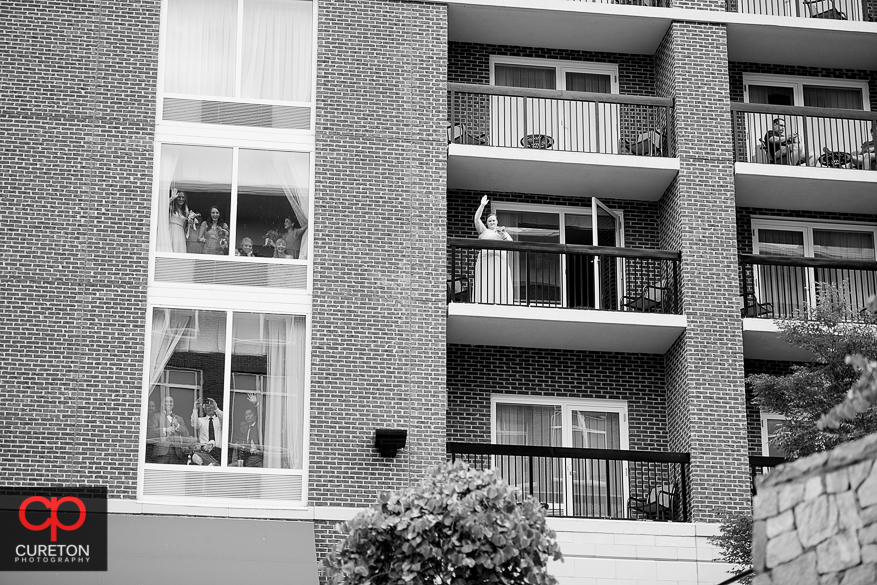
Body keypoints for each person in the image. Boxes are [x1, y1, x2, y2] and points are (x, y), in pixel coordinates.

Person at [473, 195, 514, 304]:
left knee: (499, 282)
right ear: (486, 223)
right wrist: (482, 205)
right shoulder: (483, 231)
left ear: (497, 222)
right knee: (485, 282)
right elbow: (476, 219)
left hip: (499, 262)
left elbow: (511, 244)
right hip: (485, 261)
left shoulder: (502, 232)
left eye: (493, 221)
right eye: (489, 221)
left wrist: (503, 233)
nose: (492, 223)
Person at [146, 396, 191, 465]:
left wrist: (177, 425)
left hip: (177, 453)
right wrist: (165, 430)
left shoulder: (179, 419)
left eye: (171, 401)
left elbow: (186, 434)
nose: (169, 403)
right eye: (166, 401)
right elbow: (150, 432)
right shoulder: (156, 416)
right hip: (161, 452)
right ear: (161, 404)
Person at [190, 397, 223, 466]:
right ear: (204, 409)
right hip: (204, 451)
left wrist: (216, 408)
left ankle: (212, 464)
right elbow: (195, 424)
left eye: (211, 405)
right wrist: (195, 408)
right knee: (196, 457)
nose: (209, 407)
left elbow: (225, 419)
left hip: (218, 451)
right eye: (207, 406)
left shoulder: (219, 420)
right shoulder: (200, 420)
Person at [232, 394, 263, 468]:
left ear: (255, 415)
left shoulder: (258, 426)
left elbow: (262, 415)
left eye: (250, 414)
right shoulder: (248, 429)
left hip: (258, 458)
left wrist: (256, 404)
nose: (247, 416)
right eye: (246, 415)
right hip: (249, 459)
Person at [168, 188, 191, 254]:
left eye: (183, 197)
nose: (181, 199)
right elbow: (163, 207)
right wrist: (171, 198)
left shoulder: (185, 211)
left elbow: (185, 227)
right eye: (179, 197)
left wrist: (189, 223)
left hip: (180, 232)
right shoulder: (171, 207)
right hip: (172, 229)